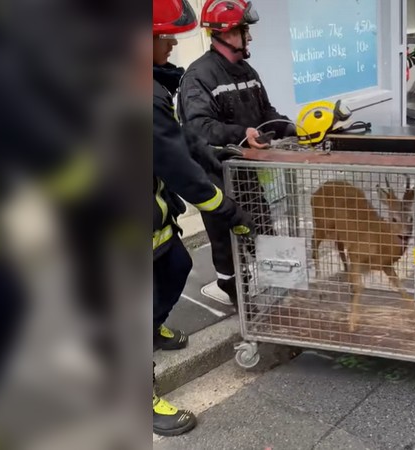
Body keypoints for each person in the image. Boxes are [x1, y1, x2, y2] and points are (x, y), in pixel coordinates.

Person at [153, 0, 255, 436]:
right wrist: (223, 206)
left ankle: (152, 326)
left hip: (147, 211)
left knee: (175, 264)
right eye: (164, 37)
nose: (174, 41)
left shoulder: (154, 86)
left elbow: (187, 143)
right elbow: (178, 162)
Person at [178, 0, 294, 309]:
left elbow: (266, 113)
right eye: (244, 30)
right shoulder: (198, 76)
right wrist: (242, 134)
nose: (250, 37)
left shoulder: (247, 71)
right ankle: (230, 290)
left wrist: (295, 129)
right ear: (225, 33)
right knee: (224, 236)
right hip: (214, 172)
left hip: (244, 169)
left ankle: (281, 289)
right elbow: (200, 126)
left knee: (261, 223)